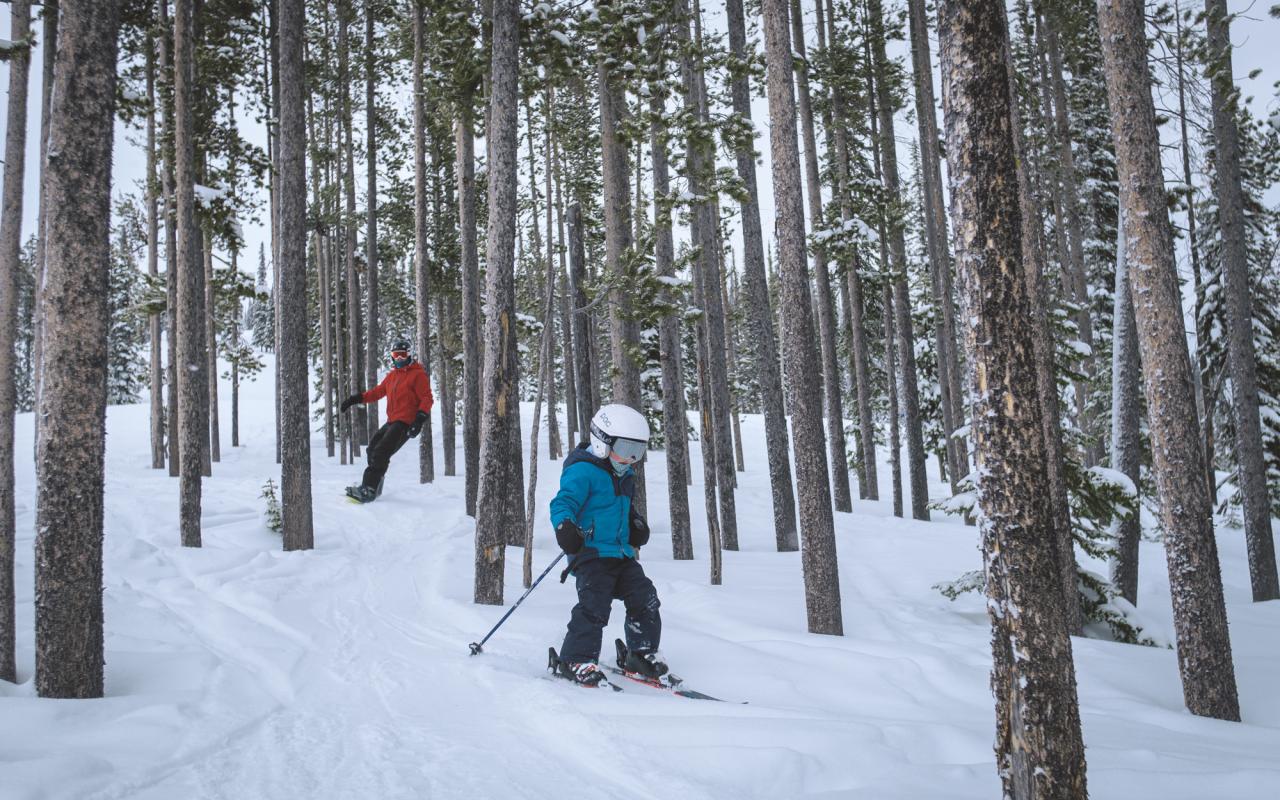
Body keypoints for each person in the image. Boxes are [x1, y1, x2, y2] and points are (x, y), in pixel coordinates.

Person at [549, 403, 666, 687]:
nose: (630, 458)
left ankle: (641, 653)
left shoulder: (625, 474)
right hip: (591, 554)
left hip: (621, 554)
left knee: (645, 597)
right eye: (625, 449)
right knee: (594, 605)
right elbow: (563, 503)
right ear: (602, 441)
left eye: (637, 451)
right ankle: (575, 659)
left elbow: (622, 508)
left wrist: (635, 523)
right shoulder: (583, 471)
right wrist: (565, 527)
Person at [340, 339, 433, 503]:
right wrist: (355, 399)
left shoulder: (417, 375)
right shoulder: (392, 376)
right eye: (396, 355)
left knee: (381, 451)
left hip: (405, 423)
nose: (399, 358)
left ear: (409, 355)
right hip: (393, 420)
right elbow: (377, 392)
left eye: (402, 355)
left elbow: (427, 398)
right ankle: (375, 486)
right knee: (372, 449)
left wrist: (419, 419)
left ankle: (369, 489)